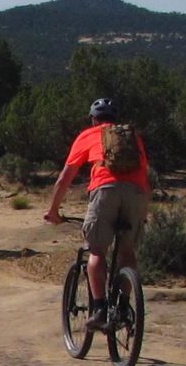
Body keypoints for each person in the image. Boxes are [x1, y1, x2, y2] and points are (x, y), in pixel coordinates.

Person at [43, 96, 150, 326]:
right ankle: (122, 306)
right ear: (115, 120)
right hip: (136, 194)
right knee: (127, 251)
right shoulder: (133, 137)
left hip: (105, 191)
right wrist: (144, 212)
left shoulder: (88, 135)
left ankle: (100, 308)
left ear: (93, 120)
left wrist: (53, 210)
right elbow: (144, 176)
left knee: (97, 250)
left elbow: (65, 178)